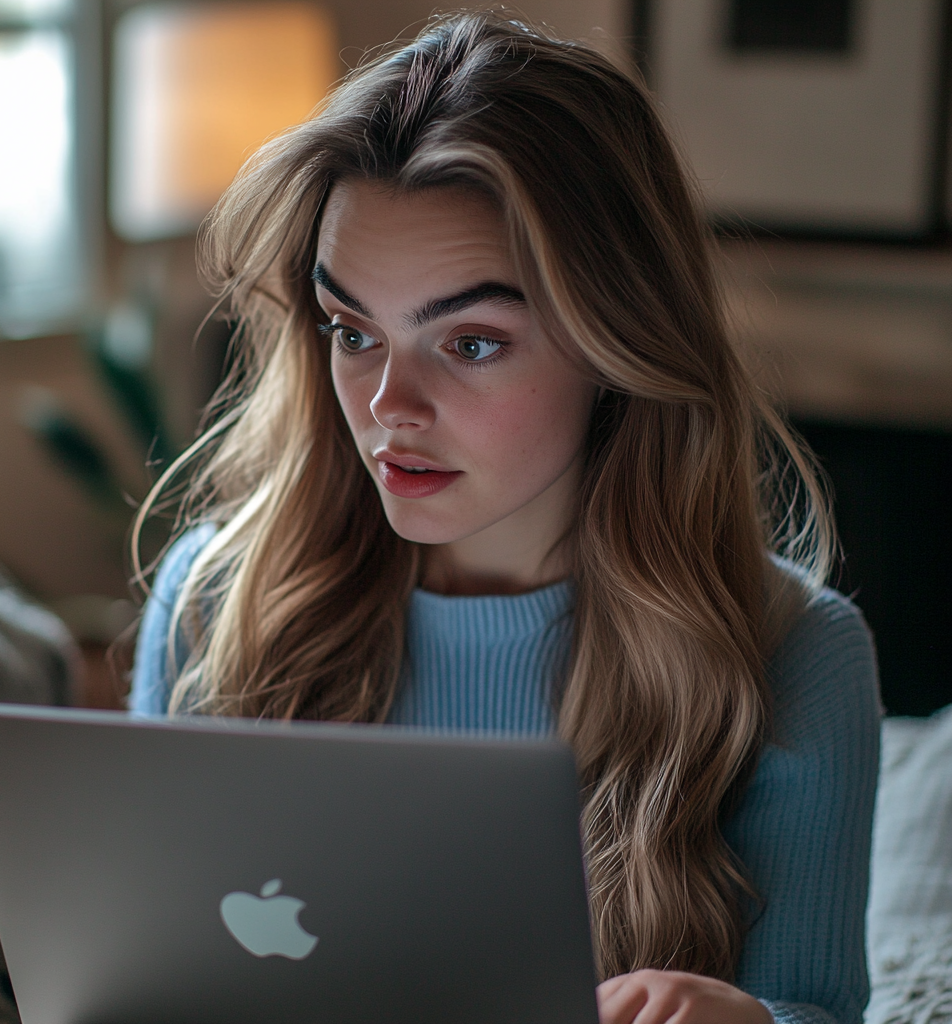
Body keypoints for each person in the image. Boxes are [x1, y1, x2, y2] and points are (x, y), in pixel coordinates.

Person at [130, 13, 880, 1024]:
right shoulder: (214, 600)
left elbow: (812, 1004)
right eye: (351, 330)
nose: (388, 404)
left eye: (472, 342)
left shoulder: (794, 656)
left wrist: (744, 1019)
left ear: (618, 344)